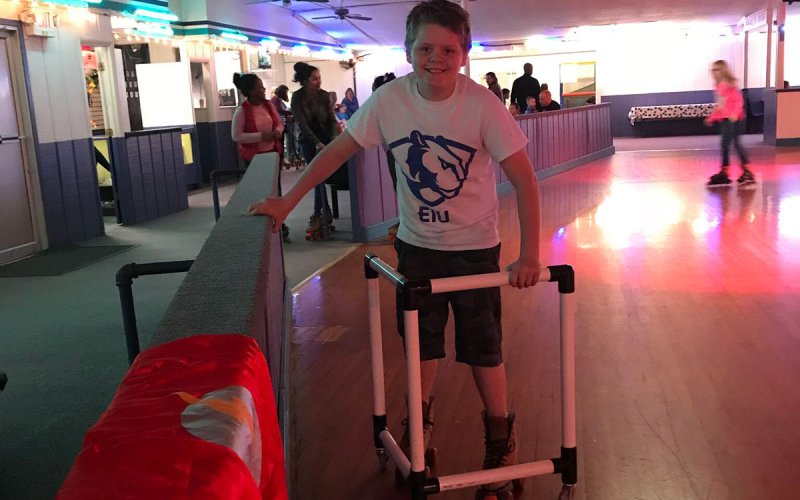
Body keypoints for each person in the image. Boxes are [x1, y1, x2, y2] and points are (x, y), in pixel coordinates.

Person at [249, 1, 542, 495]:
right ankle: (419, 429)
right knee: (420, 344)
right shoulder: (388, 102)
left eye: (448, 49)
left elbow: (525, 181)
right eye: (425, 48)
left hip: (475, 251)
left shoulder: (482, 105)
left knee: (484, 349)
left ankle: (500, 436)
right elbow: (335, 152)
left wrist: (531, 253)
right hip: (417, 248)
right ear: (408, 51)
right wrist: (288, 200)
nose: (436, 58)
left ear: (465, 54)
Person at [289, 62, 339, 237]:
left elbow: (332, 119)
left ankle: (322, 213)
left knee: (322, 178)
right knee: (316, 179)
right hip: (309, 143)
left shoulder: (325, 96)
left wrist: (332, 139)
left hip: (326, 141)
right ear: (305, 81)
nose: (319, 82)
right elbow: (302, 125)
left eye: (319, 78)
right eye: (315, 79)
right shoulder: (297, 98)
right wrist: (317, 144)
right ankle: (320, 214)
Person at [705, 60, 755, 188]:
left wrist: (735, 113)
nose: (714, 73)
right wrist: (711, 118)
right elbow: (720, 106)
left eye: (716, 70)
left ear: (722, 70)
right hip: (726, 119)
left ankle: (748, 171)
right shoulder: (718, 86)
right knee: (724, 144)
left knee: (736, 144)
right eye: (713, 70)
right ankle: (725, 172)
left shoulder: (729, 85)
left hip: (734, 118)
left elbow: (739, 101)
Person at [271, 85, 294, 167]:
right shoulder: (276, 99)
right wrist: (290, 113)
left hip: (282, 124)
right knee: (279, 143)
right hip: (278, 125)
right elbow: (279, 110)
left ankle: (281, 160)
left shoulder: (278, 99)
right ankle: (280, 160)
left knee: (281, 142)